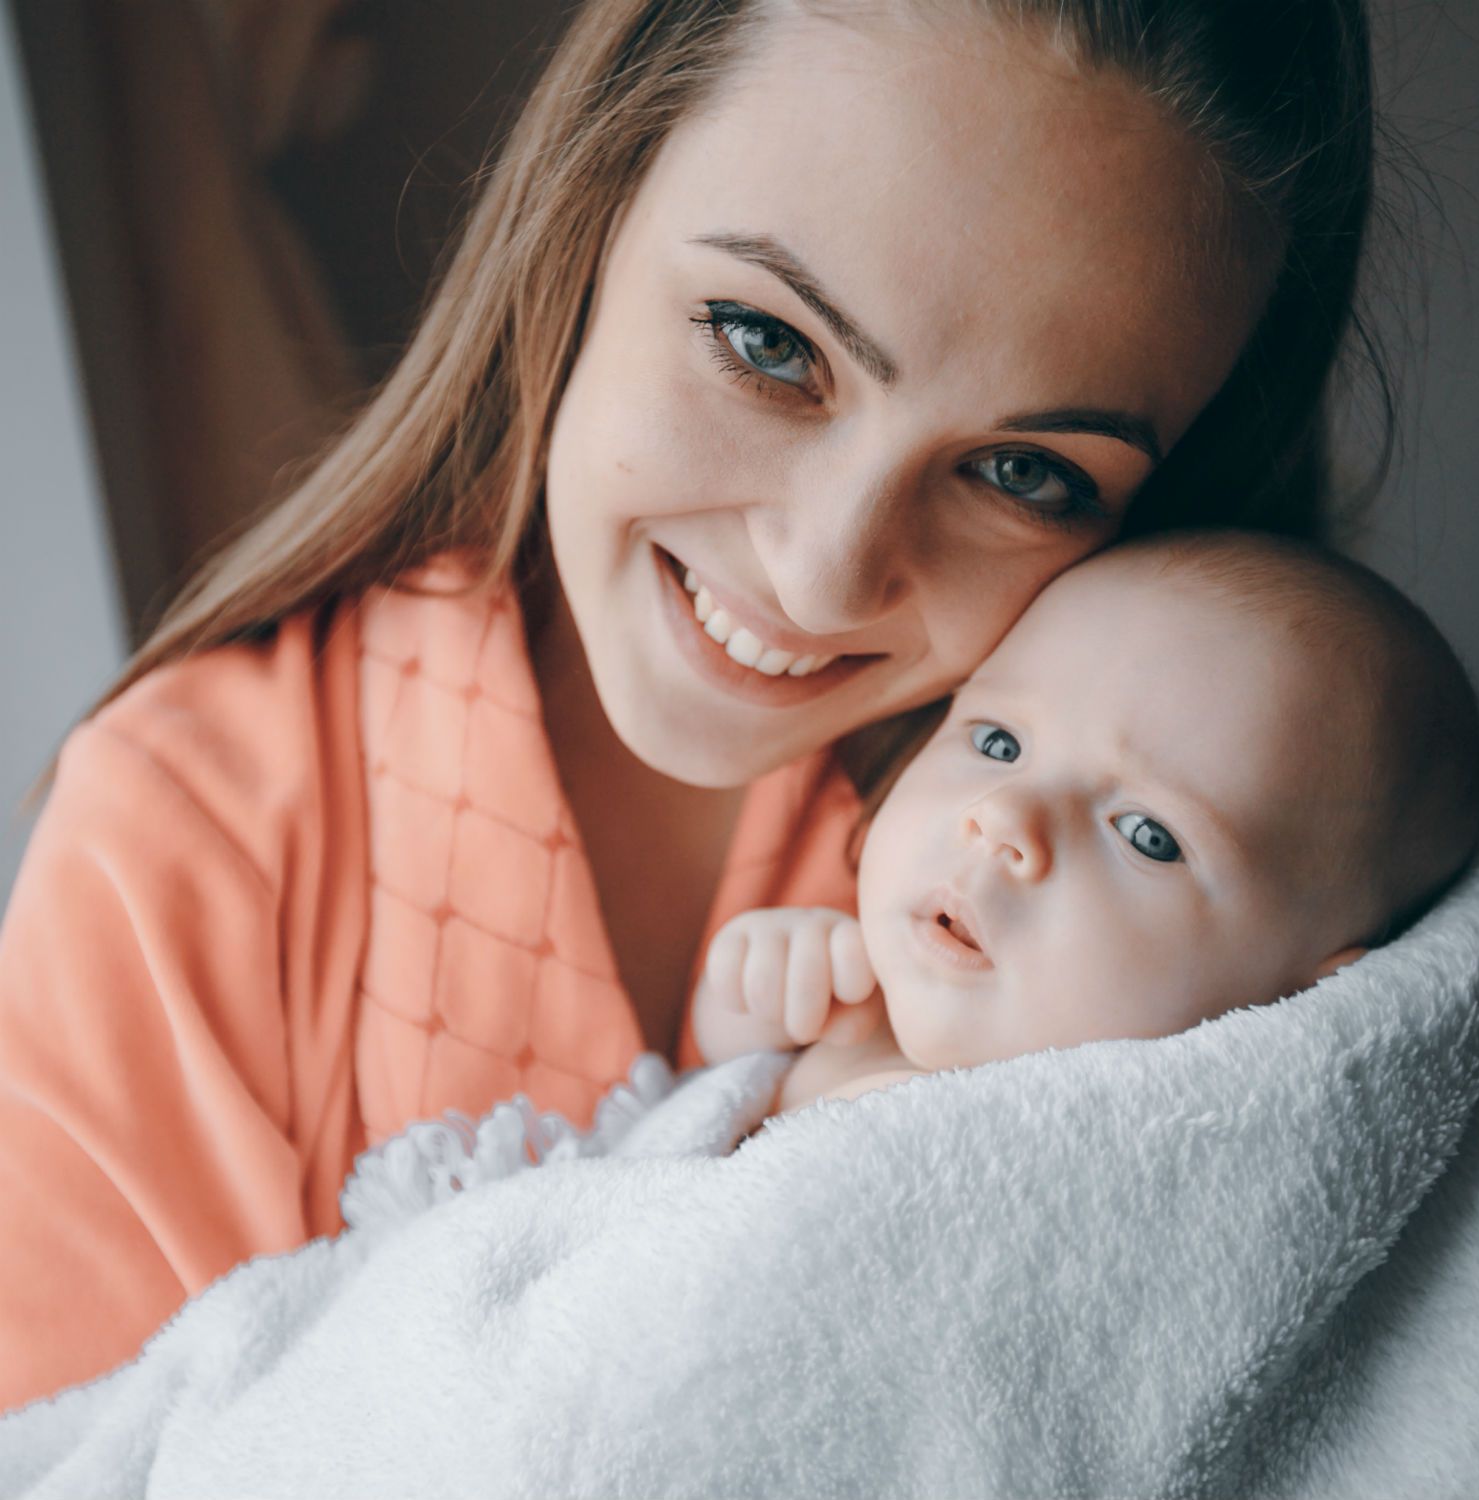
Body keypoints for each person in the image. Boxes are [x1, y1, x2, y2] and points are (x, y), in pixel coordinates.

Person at [0, 0, 1386, 1411]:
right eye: (768, 342)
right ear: (590, 209)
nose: (825, 571)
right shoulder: (194, 832)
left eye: (1027, 472)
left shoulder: (1196, 900)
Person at [692, 531, 1479, 1112]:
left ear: (1301, 1005)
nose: (1003, 817)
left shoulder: (1123, 1159)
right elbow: (656, 1151)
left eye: (1147, 835)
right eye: (998, 741)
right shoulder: (851, 1003)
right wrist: (750, 1026)